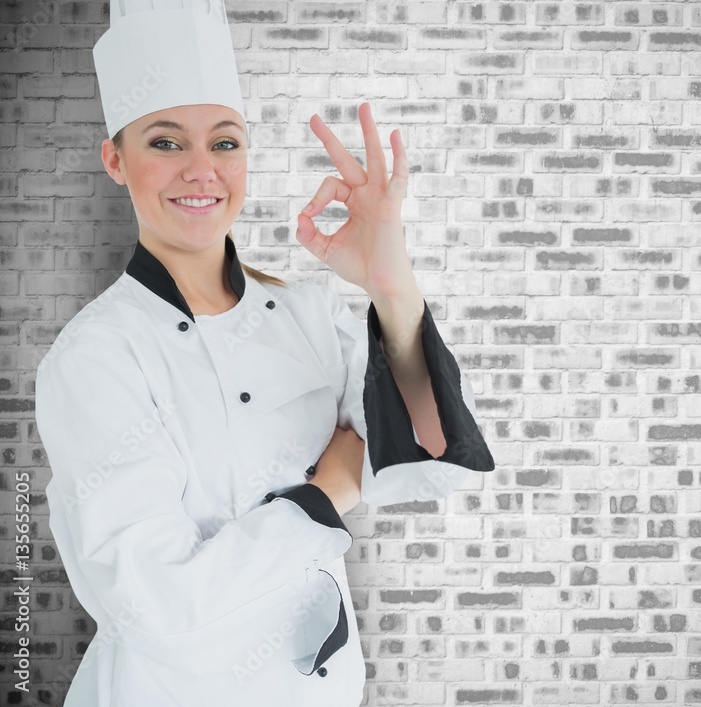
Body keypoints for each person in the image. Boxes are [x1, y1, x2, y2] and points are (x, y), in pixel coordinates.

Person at [33, 1, 495, 705]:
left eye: (224, 143)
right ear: (115, 159)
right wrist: (328, 492)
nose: (201, 170)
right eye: (164, 142)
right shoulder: (93, 358)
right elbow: (161, 609)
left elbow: (430, 468)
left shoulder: (310, 314)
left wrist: (390, 283)